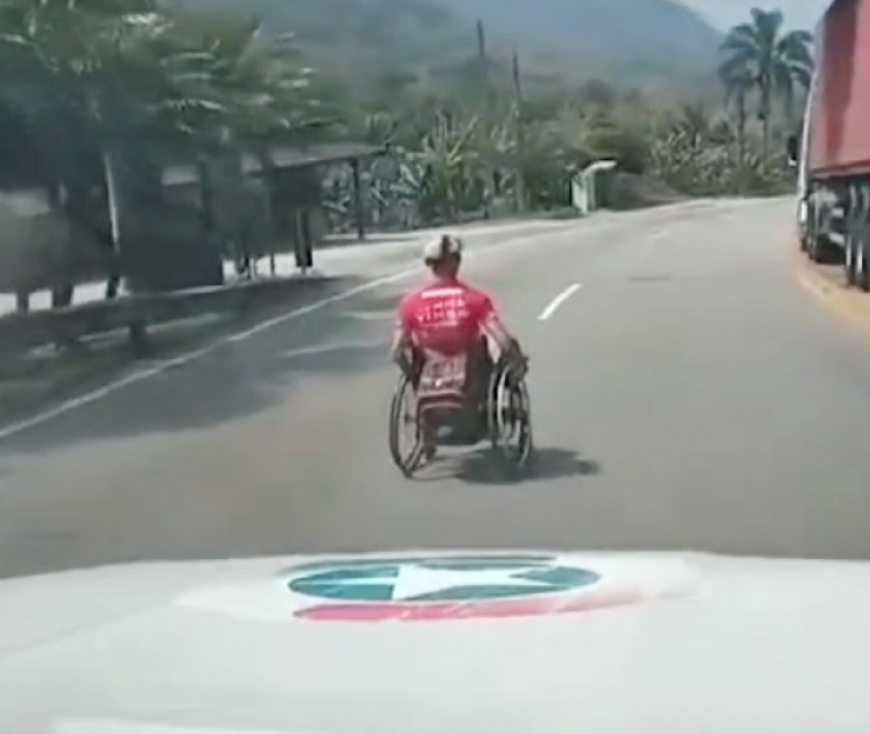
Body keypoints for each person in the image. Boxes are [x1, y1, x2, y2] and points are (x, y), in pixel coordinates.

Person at [391, 233, 527, 451]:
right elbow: (501, 338)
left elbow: (397, 350)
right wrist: (515, 358)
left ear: (429, 265)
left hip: (429, 371)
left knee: (416, 354)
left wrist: (413, 376)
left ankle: (428, 423)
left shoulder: (410, 303)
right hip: (471, 373)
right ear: (457, 262)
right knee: (495, 346)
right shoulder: (475, 299)